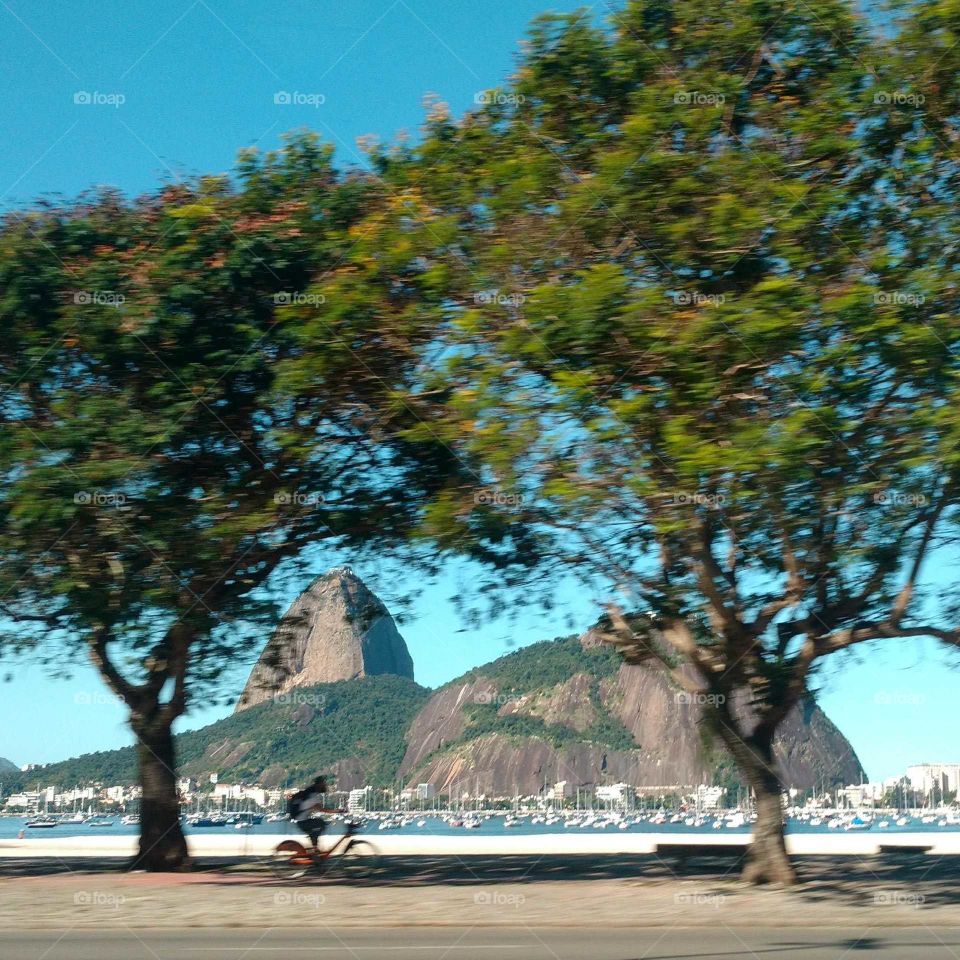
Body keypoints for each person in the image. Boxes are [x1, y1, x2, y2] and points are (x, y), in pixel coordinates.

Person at [287, 775, 338, 850]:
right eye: (324, 784)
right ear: (319, 785)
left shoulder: (310, 793)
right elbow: (322, 810)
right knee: (321, 823)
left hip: (300, 820)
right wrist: (338, 811)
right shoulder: (312, 796)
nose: (325, 786)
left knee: (318, 825)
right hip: (302, 822)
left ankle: (314, 846)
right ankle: (314, 848)